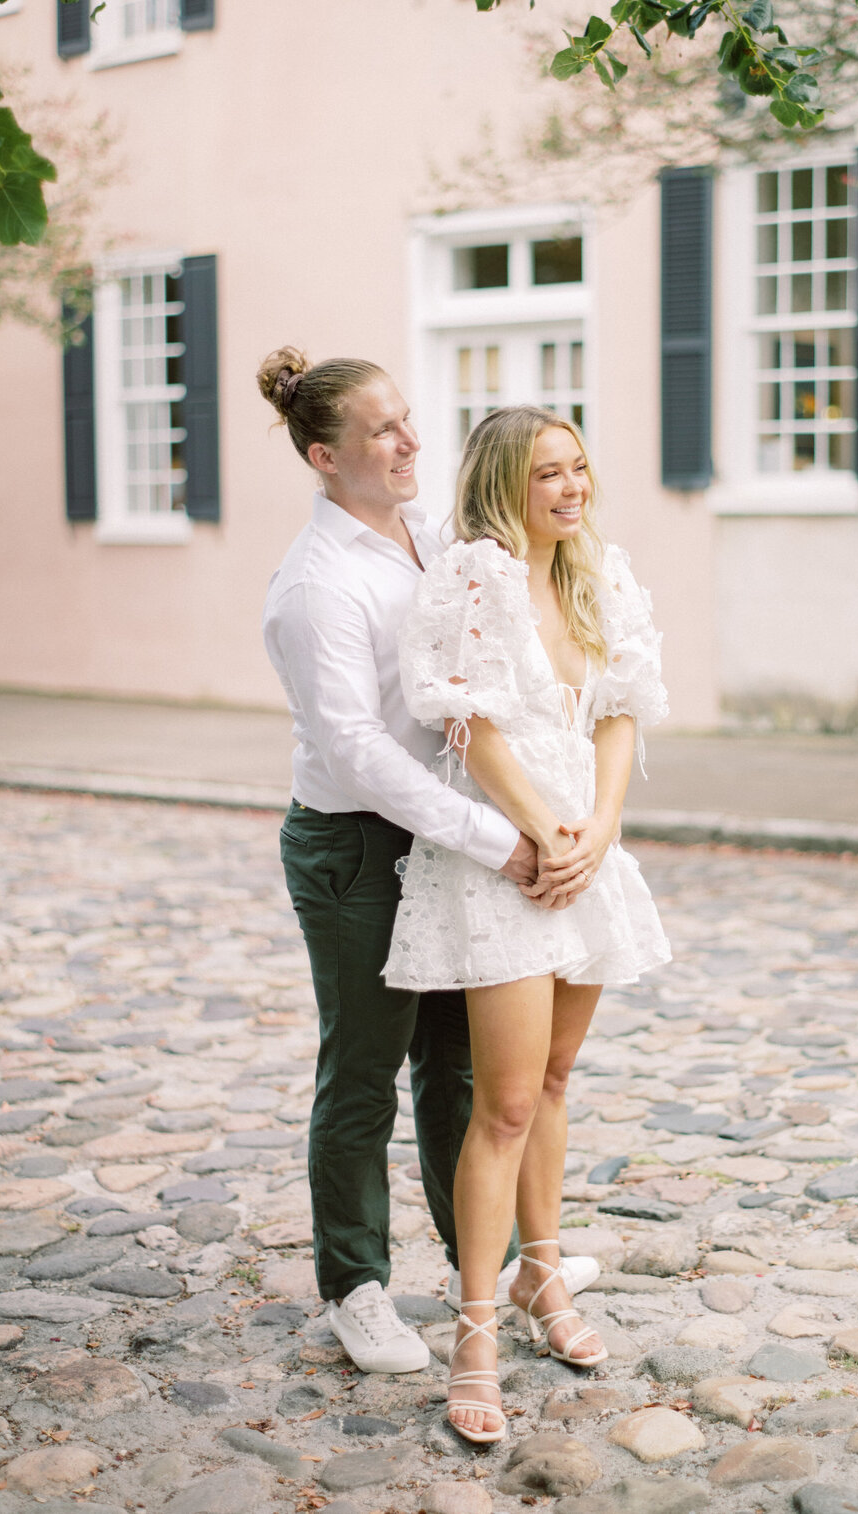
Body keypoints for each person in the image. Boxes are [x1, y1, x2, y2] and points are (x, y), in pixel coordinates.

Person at [258, 352, 596, 1376]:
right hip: (361, 848)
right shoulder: (315, 587)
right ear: (325, 457)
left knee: (461, 1066)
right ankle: (355, 1286)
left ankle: (481, 1265)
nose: (410, 442)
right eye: (381, 431)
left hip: (459, 835)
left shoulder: (439, 540)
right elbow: (359, 753)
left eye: (407, 420)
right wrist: (503, 841)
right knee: (365, 1070)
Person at [384, 404, 672, 1443]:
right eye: (548, 472)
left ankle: (543, 1277)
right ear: (506, 481)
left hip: (584, 851)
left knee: (553, 1080)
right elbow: (468, 724)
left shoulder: (602, 574)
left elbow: (621, 710)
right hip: (506, 860)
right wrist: (544, 833)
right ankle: (475, 1332)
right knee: (502, 1104)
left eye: (578, 467)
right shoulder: (472, 577)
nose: (571, 487)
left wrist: (600, 827)